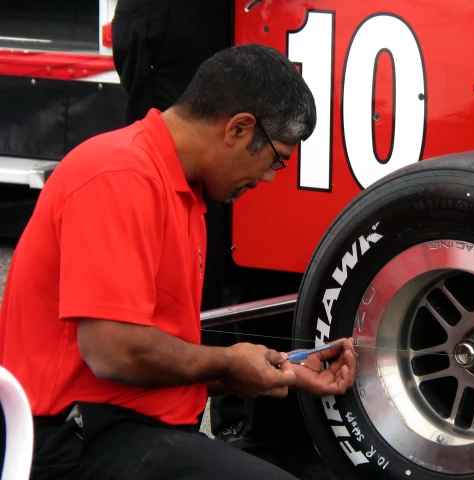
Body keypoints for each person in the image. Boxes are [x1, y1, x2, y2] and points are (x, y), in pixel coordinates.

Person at [0, 43, 356, 479]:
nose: (266, 178)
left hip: (129, 426)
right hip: (73, 436)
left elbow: (161, 357)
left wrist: (284, 372)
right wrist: (227, 362)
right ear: (239, 129)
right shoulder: (119, 175)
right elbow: (113, 354)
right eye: (276, 161)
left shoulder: (179, 190)